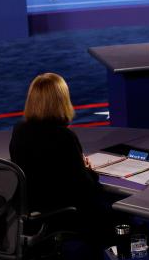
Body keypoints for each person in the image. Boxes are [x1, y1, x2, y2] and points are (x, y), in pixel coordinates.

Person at [9, 73, 110, 245]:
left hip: (29, 206)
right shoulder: (64, 137)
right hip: (58, 208)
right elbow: (84, 187)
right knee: (109, 211)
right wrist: (88, 170)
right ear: (62, 101)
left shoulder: (20, 130)